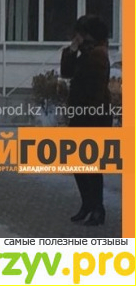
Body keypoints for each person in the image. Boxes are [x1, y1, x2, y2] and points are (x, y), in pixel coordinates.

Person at [60, 15, 112, 226]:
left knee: (91, 166)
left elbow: (93, 89)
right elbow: (66, 72)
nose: (76, 37)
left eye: (80, 34)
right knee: (77, 164)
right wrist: (72, 50)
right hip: (81, 115)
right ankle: (87, 205)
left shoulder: (98, 55)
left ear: (89, 35)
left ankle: (97, 209)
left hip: (93, 117)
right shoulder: (86, 53)